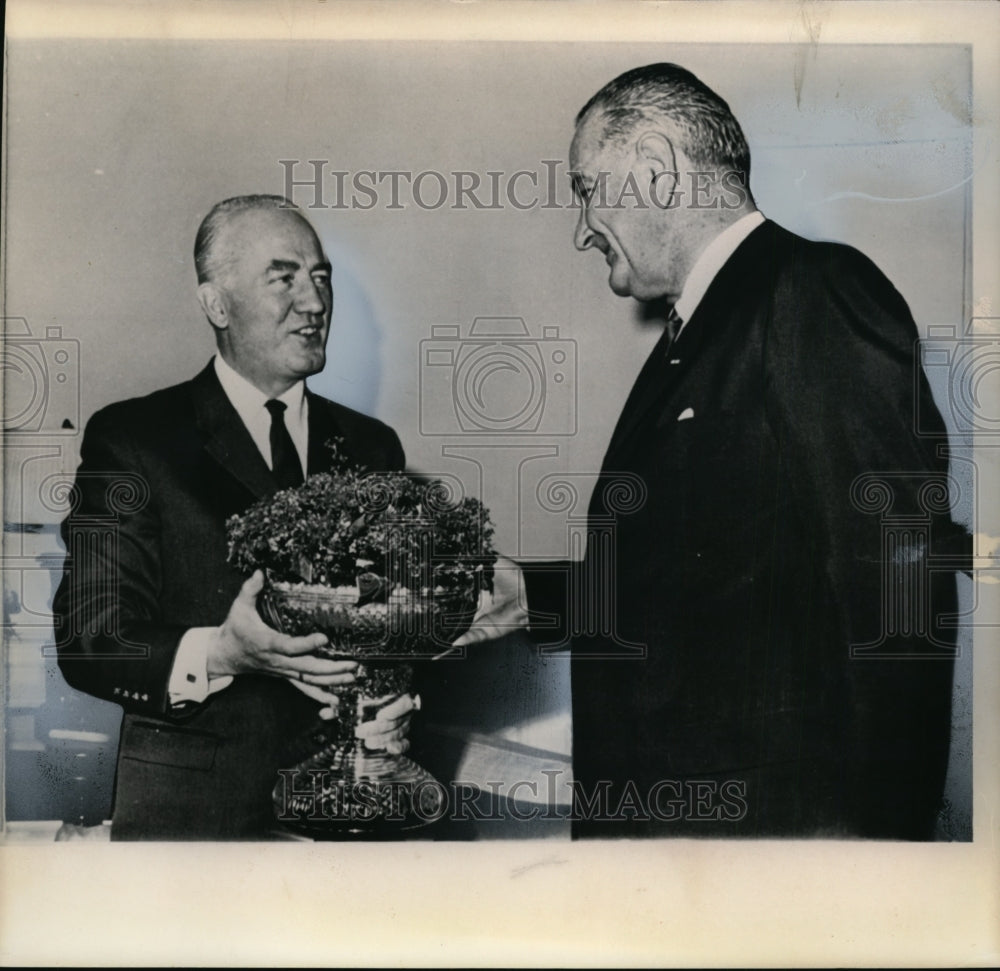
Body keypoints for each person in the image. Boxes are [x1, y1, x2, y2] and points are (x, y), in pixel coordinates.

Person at [461, 63, 967, 839]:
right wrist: (536, 597)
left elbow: (897, 586)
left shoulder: (812, 291)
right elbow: (711, 581)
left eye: (586, 188)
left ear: (657, 172)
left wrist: (881, 854)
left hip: (771, 846)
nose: (581, 227)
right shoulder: (697, 333)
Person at [53, 195, 414, 840]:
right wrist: (223, 651)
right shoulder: (133, 439)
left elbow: (389, 626)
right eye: (285, 278)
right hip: (195, 827)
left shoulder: (373, 447)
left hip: (349, 821)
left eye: (321, 277)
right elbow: (92, 639)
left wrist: (396, 704)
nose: (314, 302)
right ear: (216, 305)